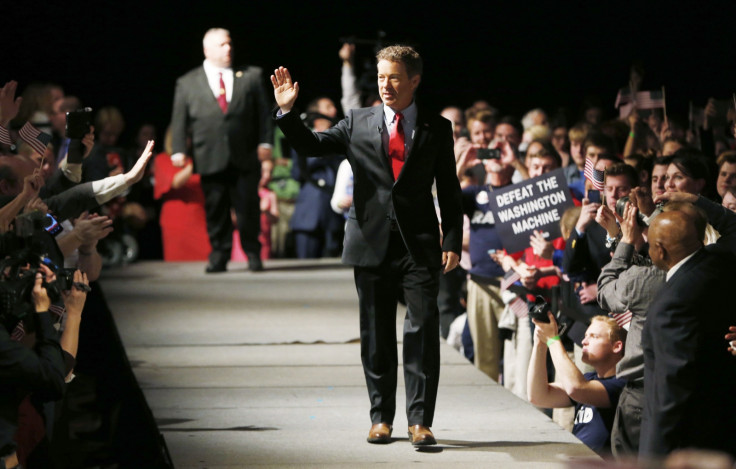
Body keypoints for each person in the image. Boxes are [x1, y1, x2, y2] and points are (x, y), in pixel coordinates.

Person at [271, 45, 463, 447]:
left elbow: (448, 187)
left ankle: (419, 421)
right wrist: (287, 113)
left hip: (420, 244)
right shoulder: (358, 120)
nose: (385, 85)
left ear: (414, 79)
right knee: (376, 333)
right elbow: (312, 145)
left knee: (422, 330)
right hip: (371, 242)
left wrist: (452, 240)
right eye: (380, 77)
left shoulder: (436, 127)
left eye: (394, 77)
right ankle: (381, 417)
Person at [170, 27, 274, 273]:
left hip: (245, 154)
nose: (229, 49)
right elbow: (179, 118)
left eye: (230, 44)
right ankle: (219, 254)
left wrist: (266, 143)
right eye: (222, 45)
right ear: (207, 50)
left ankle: (252, 253)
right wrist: (178, 148)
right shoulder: (187, 82)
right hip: (209, 154)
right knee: (215, 207)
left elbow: (263, 114)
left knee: (248, 206)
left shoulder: (251, 76)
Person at [640, 205, 736, 458]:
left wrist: (654, 455)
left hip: (686, 444)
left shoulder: (672, 304)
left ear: (659, 250)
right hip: (721, 428)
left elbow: (672, 387)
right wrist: (695, 199)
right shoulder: (719, 262)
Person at [527, 313, 626, 455]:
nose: (584, 341)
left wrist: (553, 339)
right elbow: (539, 396)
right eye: (586, 336)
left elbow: (577, 388)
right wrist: (540, 344)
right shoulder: (589, 379)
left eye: (594, 336)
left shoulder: (622, 384)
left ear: (616, 346)